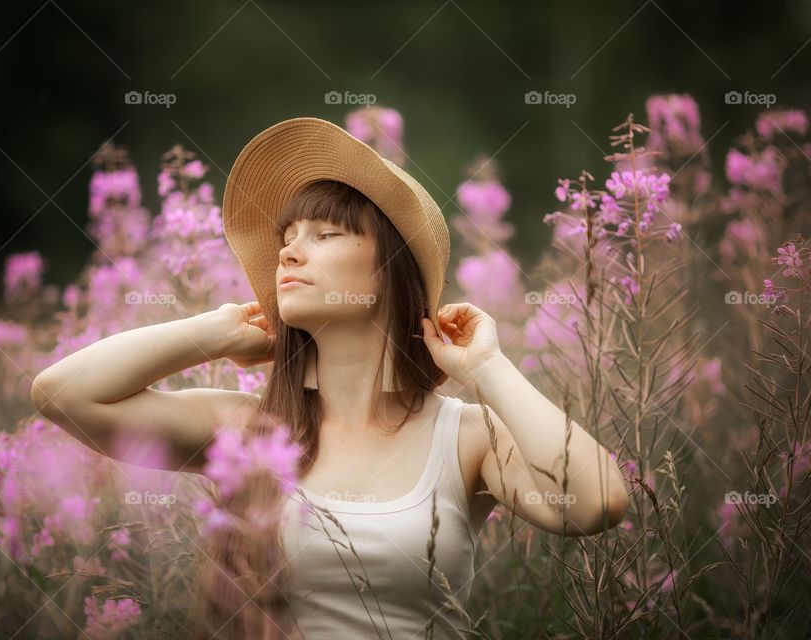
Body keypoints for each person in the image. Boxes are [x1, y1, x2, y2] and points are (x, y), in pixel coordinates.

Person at [31, 117, 630, 639]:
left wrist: (485, 369)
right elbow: (60, 394)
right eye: (286, 240)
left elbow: (596, 503)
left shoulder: (466, 436)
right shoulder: (245, 430)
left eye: (324, 234)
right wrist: (213, 332)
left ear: (389, 270)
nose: (289, 254)